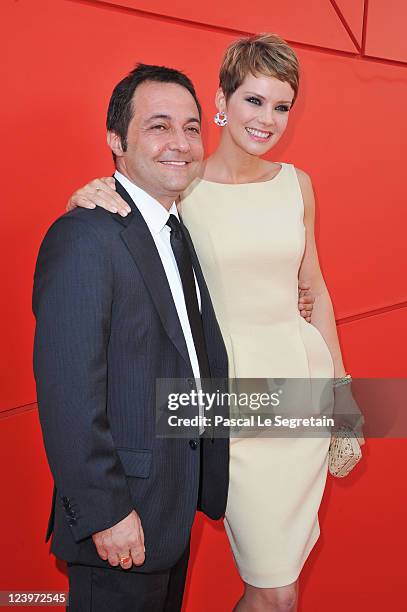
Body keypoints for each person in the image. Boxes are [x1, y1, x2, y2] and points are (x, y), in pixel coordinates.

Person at [66, 35, 351, 612]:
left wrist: (341, 400)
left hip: (297, 393)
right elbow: (113, 238)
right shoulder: (180, 185)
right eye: (253, 101)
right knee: (276, 591)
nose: (266, 119)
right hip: (221, 403)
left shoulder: (297, 184)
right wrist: (89, 194)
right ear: (221, 100)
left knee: (281, 589)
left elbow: (313, 289)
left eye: (280, 106)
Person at [32, 64, 231, 612]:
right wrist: (106, 513)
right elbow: (68, 391)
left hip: (169, 509)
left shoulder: (174, 230)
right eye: (159, 126)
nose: (181, 143)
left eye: (192, 128)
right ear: (116, 140)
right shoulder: (85, 235)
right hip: (121, 524)